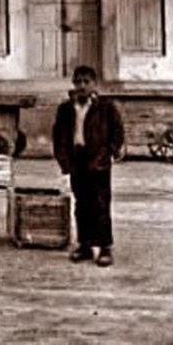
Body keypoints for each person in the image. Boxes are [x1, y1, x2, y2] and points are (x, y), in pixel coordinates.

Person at [52, 65, 125, 267]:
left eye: (86, 82)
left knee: (101, 204)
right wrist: (65, 162)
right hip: (77, 160)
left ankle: (104, 247)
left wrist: (109, 153)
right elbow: (59, 137)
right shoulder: (66, 109)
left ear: (95, 84)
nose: (82, 86)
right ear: (73, 84)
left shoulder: (106, 108)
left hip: (99, 161)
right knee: (81, 205)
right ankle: (84, 245)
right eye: (78, 82)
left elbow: (117, 133)